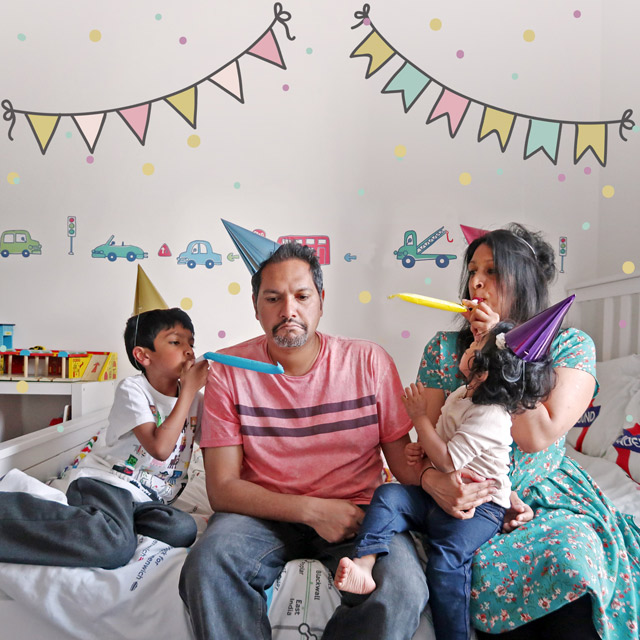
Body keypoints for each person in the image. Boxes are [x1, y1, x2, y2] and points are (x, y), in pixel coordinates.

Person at [179, 241, 428, 640]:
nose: (288, 310)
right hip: (261, 515)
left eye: (301, 296)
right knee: (208, 565)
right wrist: (313, 511)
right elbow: (222, 488)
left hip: (357, 515)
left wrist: (465, 484)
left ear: (321, 301)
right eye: (273, 298)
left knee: (402, 587)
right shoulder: (227, 370)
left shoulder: (369, 362)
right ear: (256, 307)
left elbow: (405, 467)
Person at [416, 223, 640, 639]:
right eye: (473, 271)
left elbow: (535, 438)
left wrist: (500, 348)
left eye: (492, 271)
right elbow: (426, 446)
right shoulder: (443, 349)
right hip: (470, 499)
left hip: (546, 497)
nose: (476, 282)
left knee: (572, 560)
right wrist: (436, 482)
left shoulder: (571, 346)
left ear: (525, 282)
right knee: (474, 569)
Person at [335, 319, 556, 640]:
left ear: (483, 371)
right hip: (436, 493)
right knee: (388, 495)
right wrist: (421, 449)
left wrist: (418, 418)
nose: (468, 345)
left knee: (445, 565)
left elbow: (450, 460)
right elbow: (441, 441)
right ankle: (365, 564)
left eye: (476, 346)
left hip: (479, 508)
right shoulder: (462, 395)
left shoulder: (491, 415)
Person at [0, 307, 209, 569]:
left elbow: (216, 443)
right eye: (176, 342)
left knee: (182, 530)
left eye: (191, 343)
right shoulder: (133, 390)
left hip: (148, 499)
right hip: (110, 483)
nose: (189, 351)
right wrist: (188, 391)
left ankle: (110, 522)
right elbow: (160, 448)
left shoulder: (195, 400)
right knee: (113, 547)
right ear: (143, 355)